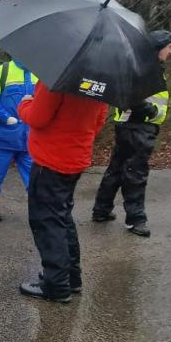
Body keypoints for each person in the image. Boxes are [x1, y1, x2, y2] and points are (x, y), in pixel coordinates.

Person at [18, 81, 108, 303]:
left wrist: (24, 105)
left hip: (50, 160)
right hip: (76, 157)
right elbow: (98, 122)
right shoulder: (102, 82)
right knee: (62, 218)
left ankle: (56, 284)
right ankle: (70, 277)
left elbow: (38, 118)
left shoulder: (56, 80)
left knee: (48, 222)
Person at [92, 30, 171, 237]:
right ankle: (136, 220)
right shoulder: (147, 69)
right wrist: (151, 112)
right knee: (135, 173)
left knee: (117, 168)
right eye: (170, 47)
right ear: (159, 47)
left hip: (129, 126)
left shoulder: (142, 65)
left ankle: (101, 210)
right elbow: (130, 95)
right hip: (139, 127)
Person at [0, 59, 38, 221]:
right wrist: (5, 117)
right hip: (2, 138)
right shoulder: (2, 71)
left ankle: (40, 208)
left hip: (29, 139)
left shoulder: (39, 72)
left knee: (36, 178)